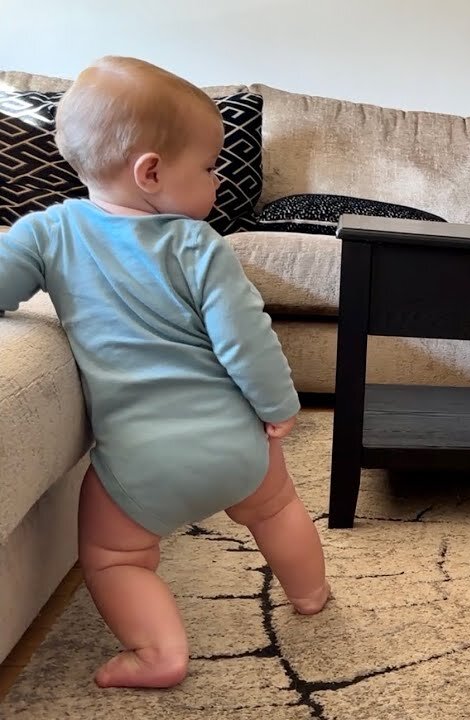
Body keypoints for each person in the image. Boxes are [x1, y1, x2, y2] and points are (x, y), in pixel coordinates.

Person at [0, 56, 329, 689]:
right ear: (150, 172)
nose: (215, 181)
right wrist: (278, 407)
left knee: (115, 556)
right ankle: (311, 593)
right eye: (209, 168)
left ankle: (159, 655)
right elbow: (245, 333)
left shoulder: (47, 233)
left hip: (139, 463)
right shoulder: (199, 245)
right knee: (280, 507)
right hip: (238, 445)